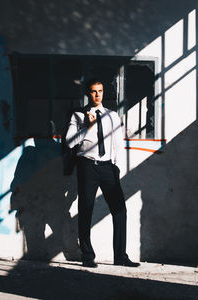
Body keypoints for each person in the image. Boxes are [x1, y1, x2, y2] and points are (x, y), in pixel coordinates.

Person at [65, 78, 140, 268]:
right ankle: (87, 256)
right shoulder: (78, 115)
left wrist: (116, 168)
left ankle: (120, 256)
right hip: (87, 165)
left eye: (100, 91)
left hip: (107, 167)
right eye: (93, 91)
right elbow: (70, 142)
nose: (97, 95)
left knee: (120, 210)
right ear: (87, 94)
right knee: (86, 210)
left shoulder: (112, 116)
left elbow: (117, 143)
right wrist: (86, 127)